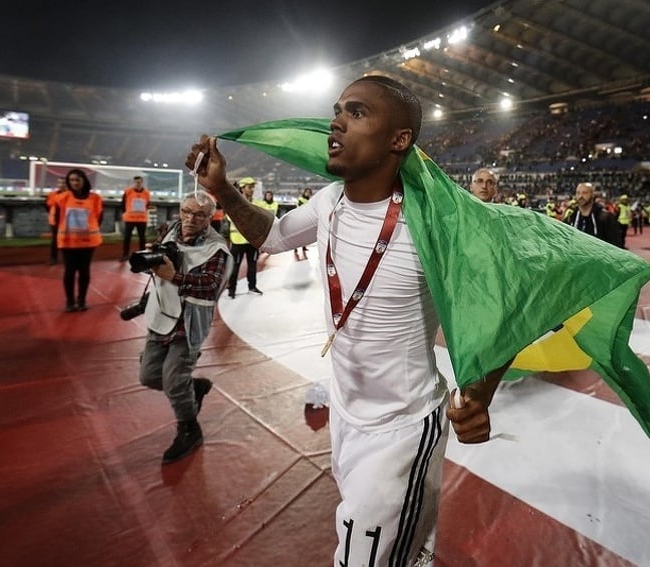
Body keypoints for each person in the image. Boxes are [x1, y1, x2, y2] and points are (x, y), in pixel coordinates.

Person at [186, 75, 509, 567]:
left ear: (398, 140)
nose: (335, 122)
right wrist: (224, 191)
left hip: (402, 427)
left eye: (357, 113)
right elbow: (271, 237)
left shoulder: (433, 224)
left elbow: (503, 308)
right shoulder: (329, 200)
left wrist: (480, 396)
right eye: (338, 110)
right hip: (346, 410)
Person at [139, 190, 232, 464]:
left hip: (188, 321)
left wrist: (175, 276)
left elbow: (211, 287)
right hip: (160, 314)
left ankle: (190, 429)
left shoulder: (218, 248)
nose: (190, 219)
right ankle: (195, 388)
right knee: (148, 376)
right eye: (186, 212)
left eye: (199, 214)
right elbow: (162, 258)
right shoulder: (169, 230)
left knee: (173, 381)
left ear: (210, 217)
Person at [55, 169, 103, 312]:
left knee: (84, 272)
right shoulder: (62, 198)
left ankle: (81, 300)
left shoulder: (95, 198)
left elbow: (98, 217)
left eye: (77, 180)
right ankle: (70, 302)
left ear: (84, 180)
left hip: (88, 243)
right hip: (68, 242)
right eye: (71, 180)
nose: (74, 183)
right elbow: (58, 219)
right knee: (69, 272)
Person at [226, 177, 262, 298]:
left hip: (252, 240)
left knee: (252, 266)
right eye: (249, 187)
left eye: (253, 187)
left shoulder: (256, 203)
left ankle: (252, 286)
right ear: (242, 188)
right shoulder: (234, 203)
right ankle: (232, 289)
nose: (252, 189)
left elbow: (259, 219)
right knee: (234, 267)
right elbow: (231, 218)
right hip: (237, 241)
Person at [570, 182, 621, 246]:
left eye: (585, 193)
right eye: (578, 193)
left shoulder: (605, 217)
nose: (581, 196)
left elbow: (615, 244)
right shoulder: (571, 217)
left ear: (592, 195)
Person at [120, 175, 152, 261]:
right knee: (127, 237)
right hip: (130, 218)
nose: (137, 184)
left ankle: (142, 254)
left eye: (139, 182)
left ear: (142, 182)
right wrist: (125, 214)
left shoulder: (146, 193)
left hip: (141, 219)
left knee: (142, 237)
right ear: (134, 182)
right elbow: (123, 204)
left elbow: (148, 204)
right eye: (136, 182)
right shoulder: (128, 192)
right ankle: (125, 254)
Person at [45, 176, 67, 265]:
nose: (61, 185)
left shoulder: (71, 195)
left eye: (63, 183)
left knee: (67, 240)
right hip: (55, 221)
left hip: (66, 222)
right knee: (55, 240)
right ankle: (53, 258)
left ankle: (67, 259)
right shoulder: (52, 194)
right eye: (59, 183)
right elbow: (47, 206)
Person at [295, 187, 313, 259]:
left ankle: (304, 247)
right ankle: (295, 248)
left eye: (309, 192)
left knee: (305, 234)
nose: (308, 193)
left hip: (306, 218)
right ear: (304, 192)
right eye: (307, 192)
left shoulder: (310, 200)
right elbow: (301, 207)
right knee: (298, 234)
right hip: (300, 218)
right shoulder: (300, 199)